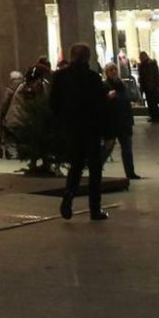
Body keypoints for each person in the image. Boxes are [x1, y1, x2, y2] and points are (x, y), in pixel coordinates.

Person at [50, 42, 110, 221]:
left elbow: (53, 103)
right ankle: (94, 208)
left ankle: (68, 198)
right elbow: (100, 105)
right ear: (88, 57)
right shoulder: (92, 77)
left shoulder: (61, 77)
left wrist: (62, 121)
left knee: (76, 166)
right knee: (95, 169)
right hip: (91, 128)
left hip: (72, 127)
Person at [102, 62, 141, 180]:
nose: (113, 72)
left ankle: (130, 172)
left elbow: (128, 100)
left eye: (115, 69)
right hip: (112, 121)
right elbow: (101, 102)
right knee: (107, 148)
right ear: (107, 72)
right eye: (111, 70)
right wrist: (108, 97)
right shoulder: (104, 86)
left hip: (124, 121)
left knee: (127, 148)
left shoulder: (122, 85)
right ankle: (97, 169)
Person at [137, 51, 159, 124]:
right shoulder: (143, 65)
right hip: (147, 86)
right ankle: (153, 116)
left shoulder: (151, 64)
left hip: (152, 86)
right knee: (150, 102)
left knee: (153, 102)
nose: (141, 58)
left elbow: (156, 75)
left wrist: (158, 85)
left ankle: (155, 117)